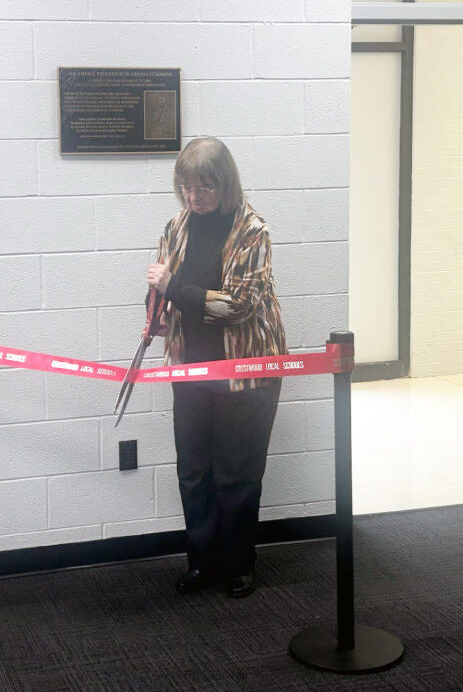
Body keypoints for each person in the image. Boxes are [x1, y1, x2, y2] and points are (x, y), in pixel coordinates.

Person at [146, 137, 286, 599]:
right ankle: (202, 562)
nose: (193, 197)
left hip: (244, 373)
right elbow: (162, 285)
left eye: (203, 188)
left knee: (236, 474)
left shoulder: (253, 231)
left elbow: (238, 306)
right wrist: (156, 312)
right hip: (191, 367)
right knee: (193, 470)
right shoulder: (177, 225)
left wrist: (175, 289)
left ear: (225, 184)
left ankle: (239, 565)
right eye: (186, 187)